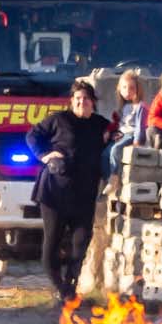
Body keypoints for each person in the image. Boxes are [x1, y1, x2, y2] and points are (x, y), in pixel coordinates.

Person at [28, 79, 110, 303]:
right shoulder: (59, 120)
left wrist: (115, 137)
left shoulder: (100, 124)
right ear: (72, 101)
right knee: (52, 241)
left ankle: (70, 283)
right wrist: (45, 156)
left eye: (86, 99)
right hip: (55, 191)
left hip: (84, 193)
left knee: (81, 242)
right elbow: (32, 137)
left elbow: (118, 134)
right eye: (78, 99)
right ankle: (60, 288)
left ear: (93, 102)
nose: (82, 102)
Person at [102, 69, 148, 180]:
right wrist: (108, 131)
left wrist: (136, 142)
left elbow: (140, 126)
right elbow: (117, 123)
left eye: (132, 88)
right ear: (119, 89)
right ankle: (106, 180)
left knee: (115, 150)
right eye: (124, 88)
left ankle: (114, 178)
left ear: (138, 90)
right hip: (120, 135)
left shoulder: (140, 106)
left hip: (131, 135)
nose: (127, 91)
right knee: (105, 154)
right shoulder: (122, 107)